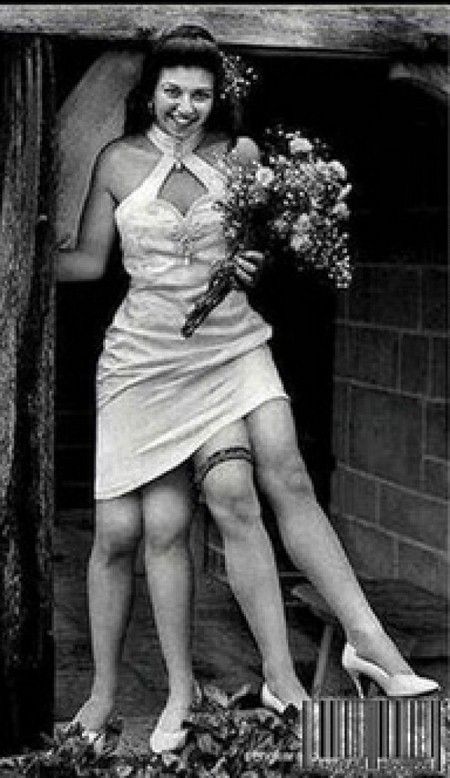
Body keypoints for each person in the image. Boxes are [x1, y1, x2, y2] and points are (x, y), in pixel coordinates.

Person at [56, 21, 439, 754]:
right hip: (144, 362)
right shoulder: (116, 160)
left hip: (231, 344)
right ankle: (142, 693)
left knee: (281, 476)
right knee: (141, 529)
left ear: (218, 97)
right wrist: (22, 250)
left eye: (200, 95)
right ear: (150, 92)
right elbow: (87, 263)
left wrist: (257, 259)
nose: (185, 107)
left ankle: (367, 643)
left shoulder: (241, 157)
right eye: (173, 91)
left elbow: (254, 247)